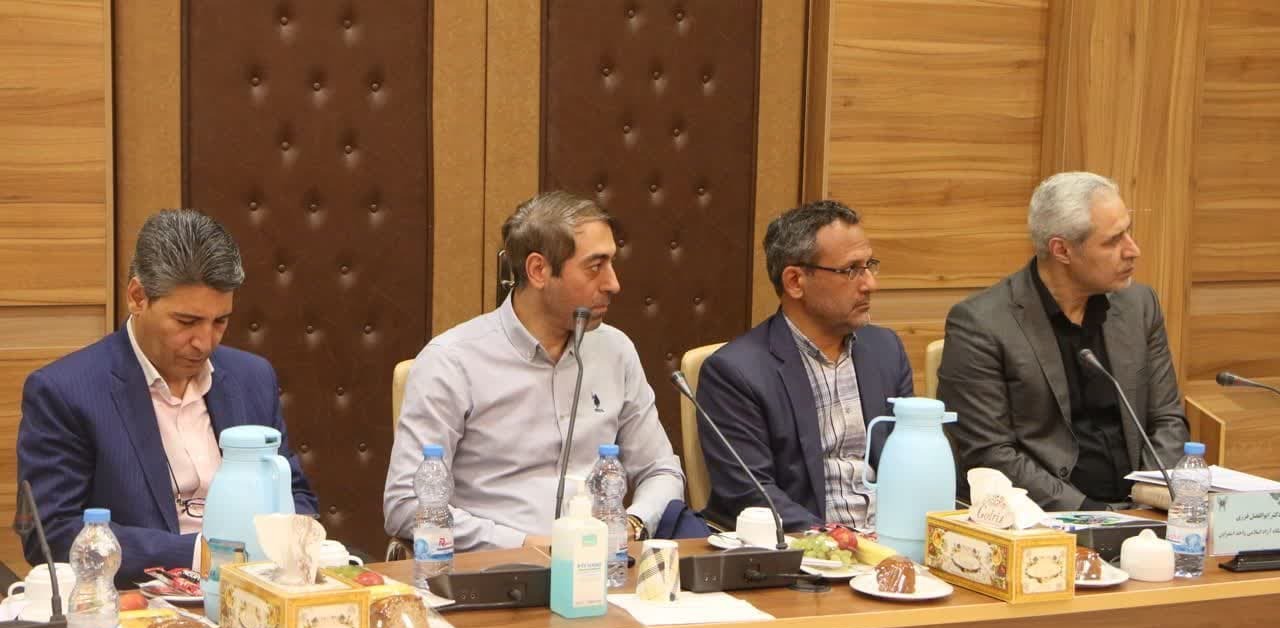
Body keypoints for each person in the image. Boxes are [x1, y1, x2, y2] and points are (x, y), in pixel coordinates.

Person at [17, 209, 318, 583]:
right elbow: (52, 534)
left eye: (220, 321)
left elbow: (295, 493)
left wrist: (293, 541)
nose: (204, 342)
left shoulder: (252, 378)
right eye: (187, 322)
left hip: (257, 587)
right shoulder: (65, 391)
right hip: (137, 598)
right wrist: (200, 555)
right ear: (138, 297)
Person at [383, 191, 685, 550]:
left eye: (611, 263)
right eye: (595, 266)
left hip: (601, 564)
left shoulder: (615, 350)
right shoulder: (452, 362)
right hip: (498, 568)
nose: (613, 283)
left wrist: (631, 525)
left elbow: (661, 471)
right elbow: (406, 505)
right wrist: (528, 545)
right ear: (539, 270)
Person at [937, 171, 1189, 510]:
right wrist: (1093, 515)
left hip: (1143, 511)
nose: (1133, 250)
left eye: (1128, 232)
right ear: (1062, 250)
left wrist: (1152, 496)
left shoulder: (1139, 307)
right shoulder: (982, 324)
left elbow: (1167, 419)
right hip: (1046, 518)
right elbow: (989, 454)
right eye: (1113, 241)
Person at [695, 200, 913, 532]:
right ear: (795, 281)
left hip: (895, 541)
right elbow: (751, 494)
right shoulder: (736, 373)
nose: (870, 284)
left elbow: (911, 460)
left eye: (869, 265)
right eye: (851, 270)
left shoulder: (886, 350)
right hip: (809, 548)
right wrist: (842, 542)